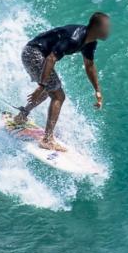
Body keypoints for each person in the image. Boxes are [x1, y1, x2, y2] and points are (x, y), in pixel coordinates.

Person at [13, 12, 111, 151]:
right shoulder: (74, 38)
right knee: (58, 95)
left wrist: (97, 90)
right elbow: (51, 59)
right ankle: (47, 139)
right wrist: (41, 85)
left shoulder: (90, 43)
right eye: (106, 27)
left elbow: (89, 66)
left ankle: (22, 116)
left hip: (39, 55)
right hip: (33, 53)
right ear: (96, 28)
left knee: (51, 91)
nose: (108, 31)